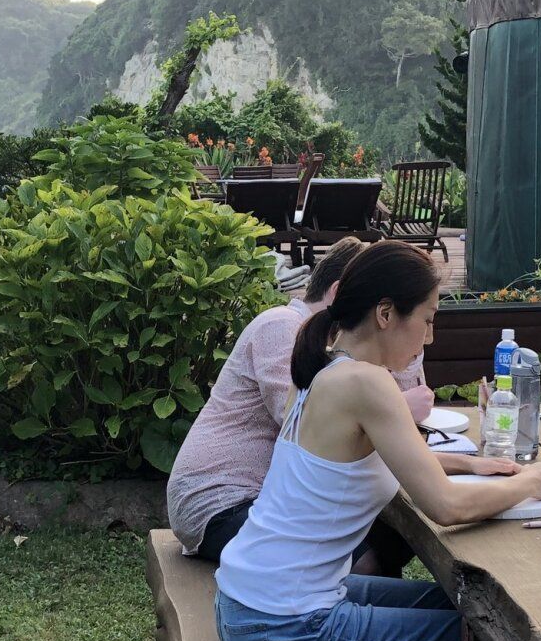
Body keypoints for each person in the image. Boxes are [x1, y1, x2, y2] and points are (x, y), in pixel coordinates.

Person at [214, 241, 541, 641]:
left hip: (253, 602)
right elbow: (446, 508)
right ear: (385, 314)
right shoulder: (368, 384)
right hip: (284, 627)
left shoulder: (329, 368)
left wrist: (471, 464)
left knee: (458, 607)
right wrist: (531, 483)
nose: (430, 337)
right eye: (427, 319)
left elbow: (374, 457)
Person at [167, 236, 434, 564]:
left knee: (392, 536)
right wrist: (400, 407)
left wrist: (412, 337)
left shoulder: (340, 353)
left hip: (269, 502)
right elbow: (308, 425)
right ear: (338, 292)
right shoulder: (281, 326)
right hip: (219, 504)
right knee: (368, 551)